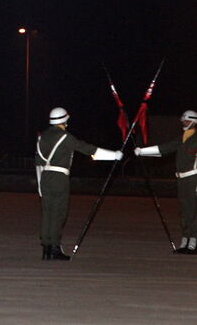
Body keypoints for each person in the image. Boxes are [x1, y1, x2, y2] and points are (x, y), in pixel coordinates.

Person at [36, 107, 122, 260]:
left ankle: (46, 247)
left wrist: (39, 185)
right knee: (58, 213)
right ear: (65, 120)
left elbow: (38, 163)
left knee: (47, 212)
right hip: (59, 178)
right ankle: (55, 248)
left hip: (45, 177)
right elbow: (88, 149)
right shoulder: (65, 137)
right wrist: (114, 155)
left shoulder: (42, 137)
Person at [135, 110, 197, 254]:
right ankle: (185, 240)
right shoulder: (182, 138)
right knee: (184, 210)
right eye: (183, 120)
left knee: (194, 210)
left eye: (186, 120)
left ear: (194, 121)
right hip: (182, 179)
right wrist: (143, 151)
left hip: (194, 178)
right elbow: (164, 149)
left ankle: (193, 241)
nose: (183, 122)